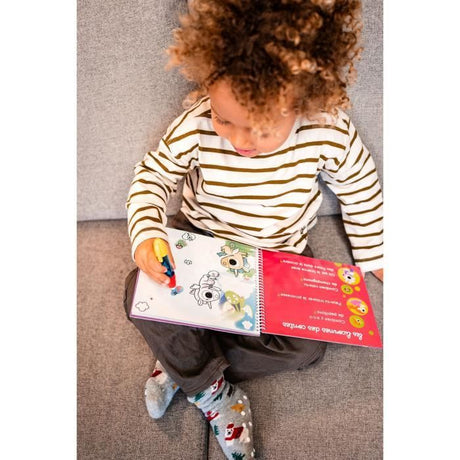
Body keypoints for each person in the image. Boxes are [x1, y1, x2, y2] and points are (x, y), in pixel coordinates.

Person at [124, 0, 383, 458]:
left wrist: (378, 254)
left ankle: (188, 362)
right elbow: (153, 175)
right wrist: (148, 234)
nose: (239, 140)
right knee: (138, 293)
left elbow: (360, 187)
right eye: (224, 119)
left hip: (278, 259)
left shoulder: (327, 129)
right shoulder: (196, 123)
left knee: (309, 347)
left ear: (302, 103)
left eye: (260, 128)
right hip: (203, 242)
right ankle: (212, 392)